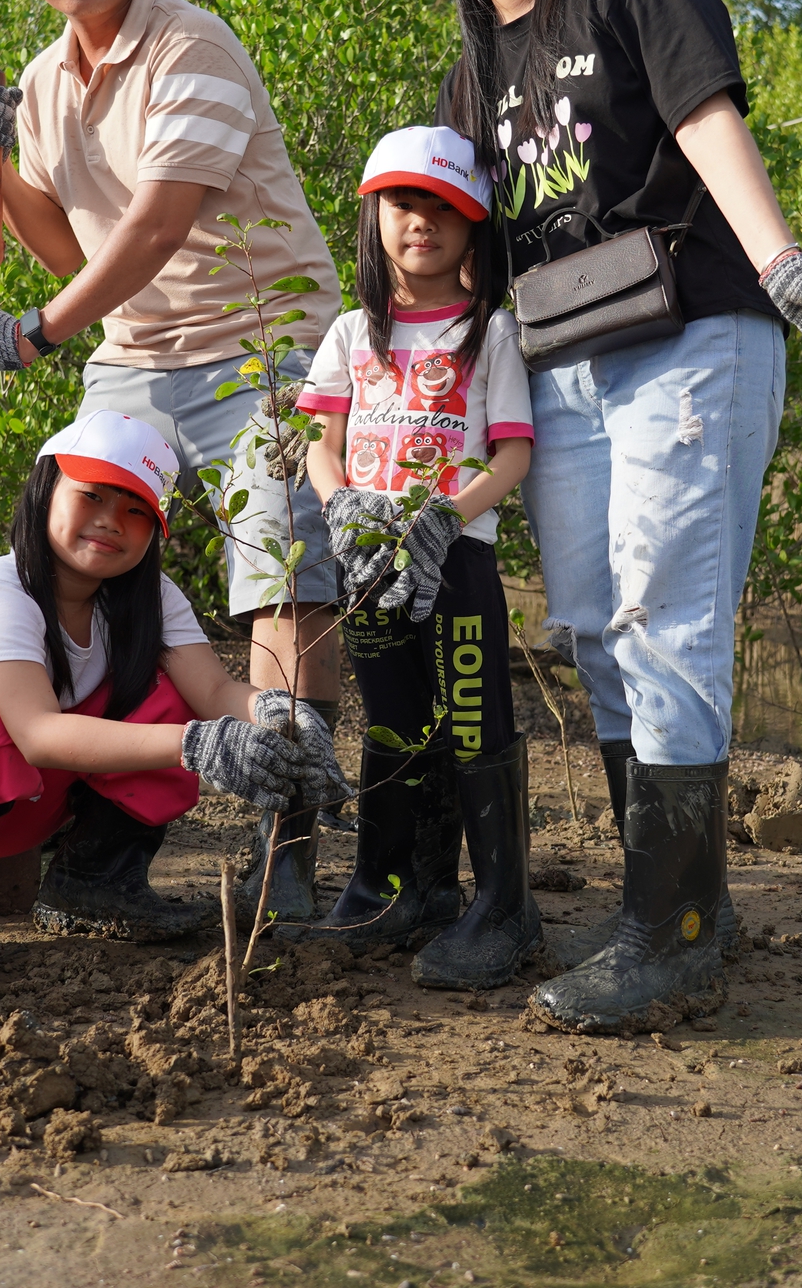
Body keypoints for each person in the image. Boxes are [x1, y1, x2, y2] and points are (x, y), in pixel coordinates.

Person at [403, 0, 802, 1033]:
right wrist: (387, 395)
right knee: (590, 624)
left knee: (664, 610)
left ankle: (667, 931)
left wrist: (784, 266)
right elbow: (451, 249)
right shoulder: (472, 71)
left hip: (688, 332)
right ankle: (683, 902)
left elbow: (704, 116)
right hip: (564, 357)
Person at [0, 0, 348, 922]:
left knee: (281, 574)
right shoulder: (37, 82)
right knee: (67, 567)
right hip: (136, 355)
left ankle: (291, 843)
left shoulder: (189, 47)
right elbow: (69, 248)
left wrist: (31, 337)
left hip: (264, 344)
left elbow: (158, 223)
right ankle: (92, 859)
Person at [0, 412, 353, 936]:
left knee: (170, 696)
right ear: (46, 489)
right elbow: (37, 734)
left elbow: (214, 690)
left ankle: (93, 884)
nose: (112, 520)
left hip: (31, 795)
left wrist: (279, 714)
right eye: (92, 495)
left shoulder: (151, 596)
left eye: (137, 510)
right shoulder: (1, 593)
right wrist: (199, 745)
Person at [282, 126, 539, 988]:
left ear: (475, 228)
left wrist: (445, 517)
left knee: (474, 720)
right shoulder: (353, 331)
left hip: (456, 561)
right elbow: (323, 441)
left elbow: (512, 456)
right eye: (402, 202)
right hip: (369, 566)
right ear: (372, 215)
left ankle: (500, 900)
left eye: (444, 206)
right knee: (392, 722)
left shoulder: (489, 330)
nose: (421, 220)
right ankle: (392, 887)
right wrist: (341, 506)